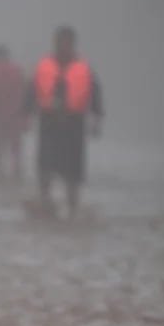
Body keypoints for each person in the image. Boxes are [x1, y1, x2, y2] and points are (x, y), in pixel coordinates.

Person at [25, 25, 103, 218]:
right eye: (61, 41)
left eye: (67, 42)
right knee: (45, 168)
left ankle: (72, 211)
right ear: (55, 43)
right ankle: (45, 205)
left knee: (73, 173)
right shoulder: (44, 67)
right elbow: (32, 91)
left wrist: (97, 120)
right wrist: (26, 114)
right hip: (49, 123)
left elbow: (95, 95)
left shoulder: (83, 68)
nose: (64, 46)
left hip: (73, 125)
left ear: (73, 44)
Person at [0, 44, 28, 183]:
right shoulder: (17, 70)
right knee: (15, 144)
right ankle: (16, 171)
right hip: (15, 113)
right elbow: (25, 90)